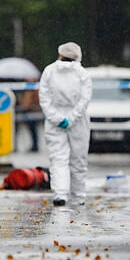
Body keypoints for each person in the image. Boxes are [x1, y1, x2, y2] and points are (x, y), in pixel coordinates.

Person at [38, 42, 92, 206]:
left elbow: (44, 98)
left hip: (54, 120)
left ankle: (60, 194)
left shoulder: (49, 71)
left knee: (58, 158)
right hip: (78, 120)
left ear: (60, 54)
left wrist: (57, 118)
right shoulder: (82, 73)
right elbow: (85, 99)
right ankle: (79, 195)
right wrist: (73, 118)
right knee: (78, 159)